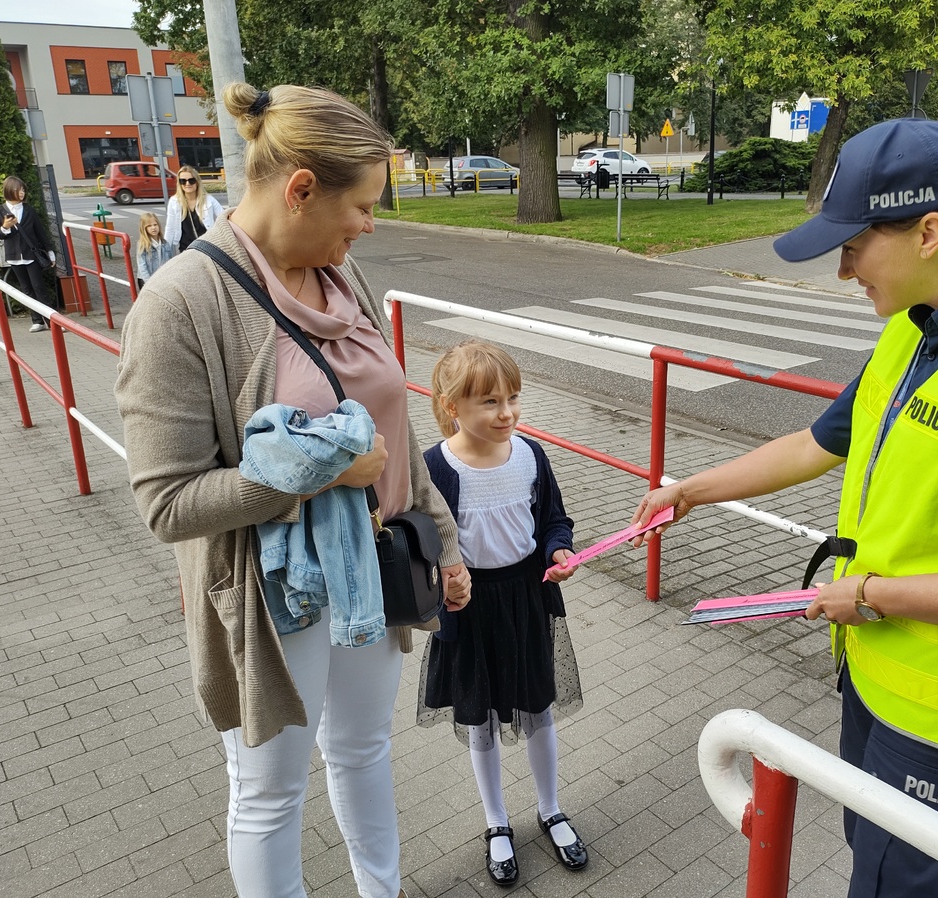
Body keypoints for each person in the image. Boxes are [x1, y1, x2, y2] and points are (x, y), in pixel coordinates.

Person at [630, 118, 938, 898]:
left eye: (853, 244)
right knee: (870, 854)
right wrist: (689, 490)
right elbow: (815, 443)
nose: (843, 270)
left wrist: (867, 594)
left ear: (928, 232)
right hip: (873, 674)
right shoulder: (911, 332)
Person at [114, 82, 473, 898]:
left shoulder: (344, 276)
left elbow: (395, 433)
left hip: (375, 572)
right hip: (271, 599)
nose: (371, 225)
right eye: (364, 205)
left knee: (363, 751)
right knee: (270, 793)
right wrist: (319, 476)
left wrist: (443, 539)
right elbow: (167, 504)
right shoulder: (180, 304)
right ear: (301, 187)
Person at [416, 340, 586, 887]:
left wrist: (558, 550)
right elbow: (422, 541)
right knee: (480, 717)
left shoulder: (532, 455)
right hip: (469, 609)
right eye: (489, 402)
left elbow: (555, 520)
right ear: (450, 406)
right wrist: (444, 575)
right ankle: (496, 822)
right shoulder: (435, 468)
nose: (506, 412)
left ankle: (550, 807)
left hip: (529, 599)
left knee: (539, 707)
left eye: (513, 398)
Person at [0, 175, 57, 333]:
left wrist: (50, 252)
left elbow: (40, 232)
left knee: (39, 287)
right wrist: (5, 227)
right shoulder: (0, 210)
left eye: (23, 190)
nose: (21, 193)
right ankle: (37, 321)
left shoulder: (29, 210)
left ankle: (52, 321)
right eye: (17, 190)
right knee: (26, 289)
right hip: (14, 256)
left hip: (32, 255)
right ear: (9, 190)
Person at [164, 163, 224, 252]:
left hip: (207, 248)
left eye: (191, 180)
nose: (187, 183)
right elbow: (170, 227)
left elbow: (223, 217)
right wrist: (166, 250)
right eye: (183, 181)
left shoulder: (208, 199)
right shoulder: (174, 202)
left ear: (197, 181)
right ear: (179, 183)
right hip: (185, 249)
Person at [134, 211, 172, 288]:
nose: (153, 228)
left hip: (162, 278)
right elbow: (142, 266)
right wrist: (149, 282)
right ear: (144, 228)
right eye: (149, 226)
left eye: (155, 225)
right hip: (147, 280)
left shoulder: (165, 243)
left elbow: (170, 261)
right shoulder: (143, 244)